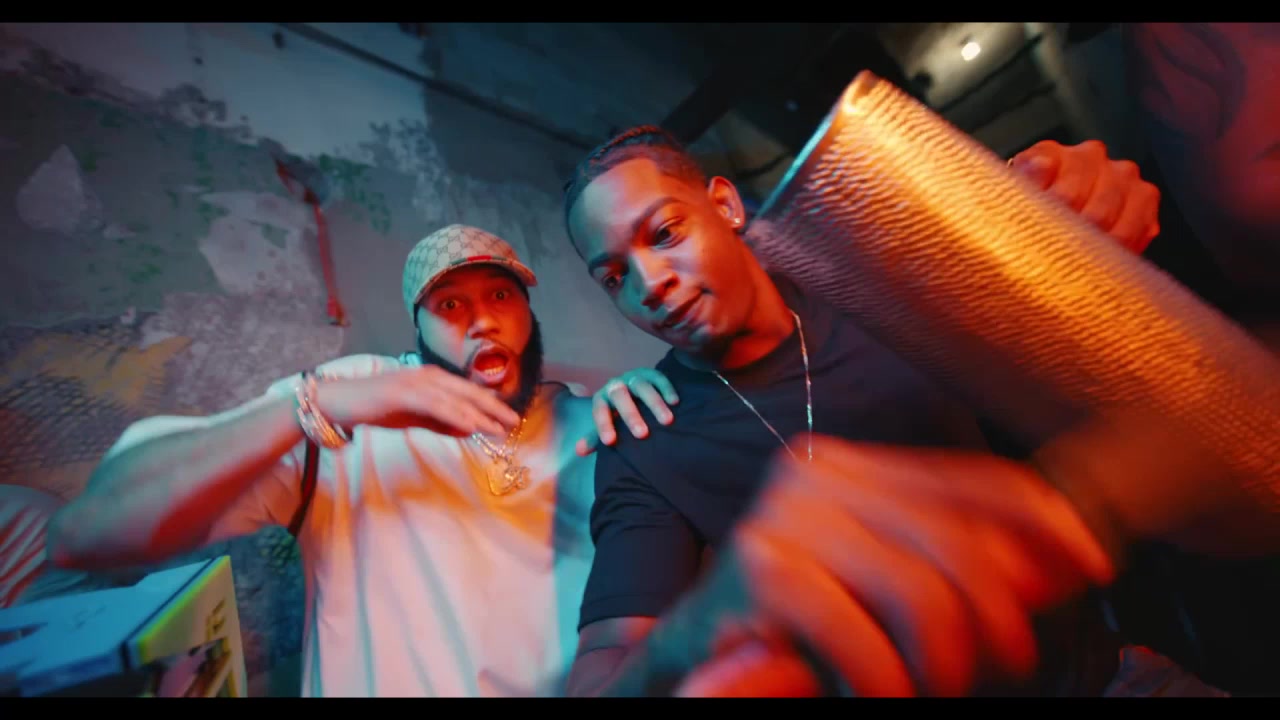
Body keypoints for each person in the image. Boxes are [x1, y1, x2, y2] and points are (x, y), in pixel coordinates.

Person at [558, 125, 1212, 697]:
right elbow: (605, 660)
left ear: (725, 205)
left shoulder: (881, 292)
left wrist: (1078, 222)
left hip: (1103, 680)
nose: (650, 284)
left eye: (664, 233)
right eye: (614, 277)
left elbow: (1160, 419)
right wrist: (691, 636)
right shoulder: (647, 435)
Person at [45, 223, 681, 697]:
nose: (483, 321)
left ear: (528, 315)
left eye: (500, 295)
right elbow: (85, 534)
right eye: (450, 305)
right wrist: (314, 405)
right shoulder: (350, 400)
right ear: (417, 329)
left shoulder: (596, 422)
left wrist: (653, 409)